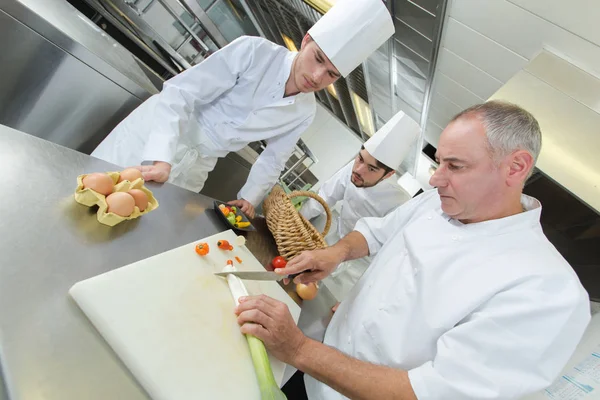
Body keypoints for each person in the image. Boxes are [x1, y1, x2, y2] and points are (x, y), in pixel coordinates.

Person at [234, 101, 591, 399]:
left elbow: (427, 393)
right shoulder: (439, 202)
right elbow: (376, 234)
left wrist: (297, 348)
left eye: (455, 166)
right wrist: (336, 253)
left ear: (516, 167)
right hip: (314, 368)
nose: (435, 179)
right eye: (440, 163)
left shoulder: (547, 290)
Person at [91, 0, 394, 218]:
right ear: (306, 40)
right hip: (155, 138)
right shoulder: (253, 52)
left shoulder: (305, 112)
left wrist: (249, 198)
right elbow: (181, 93)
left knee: (142, 224)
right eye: (318, 59)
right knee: (92, 196)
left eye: (330, 75)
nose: (317, 77)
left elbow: (273, 159)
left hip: (198, 166)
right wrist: (161, 155)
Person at [299, 111, 419, 300]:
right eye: (360, 158)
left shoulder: (400, 202)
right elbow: (324, 196)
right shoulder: (353, 169)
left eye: (372, 169)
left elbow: (393, 258)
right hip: (331, 245)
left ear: (388, 174)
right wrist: (297, 221)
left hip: (358, 273)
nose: (358, 170)